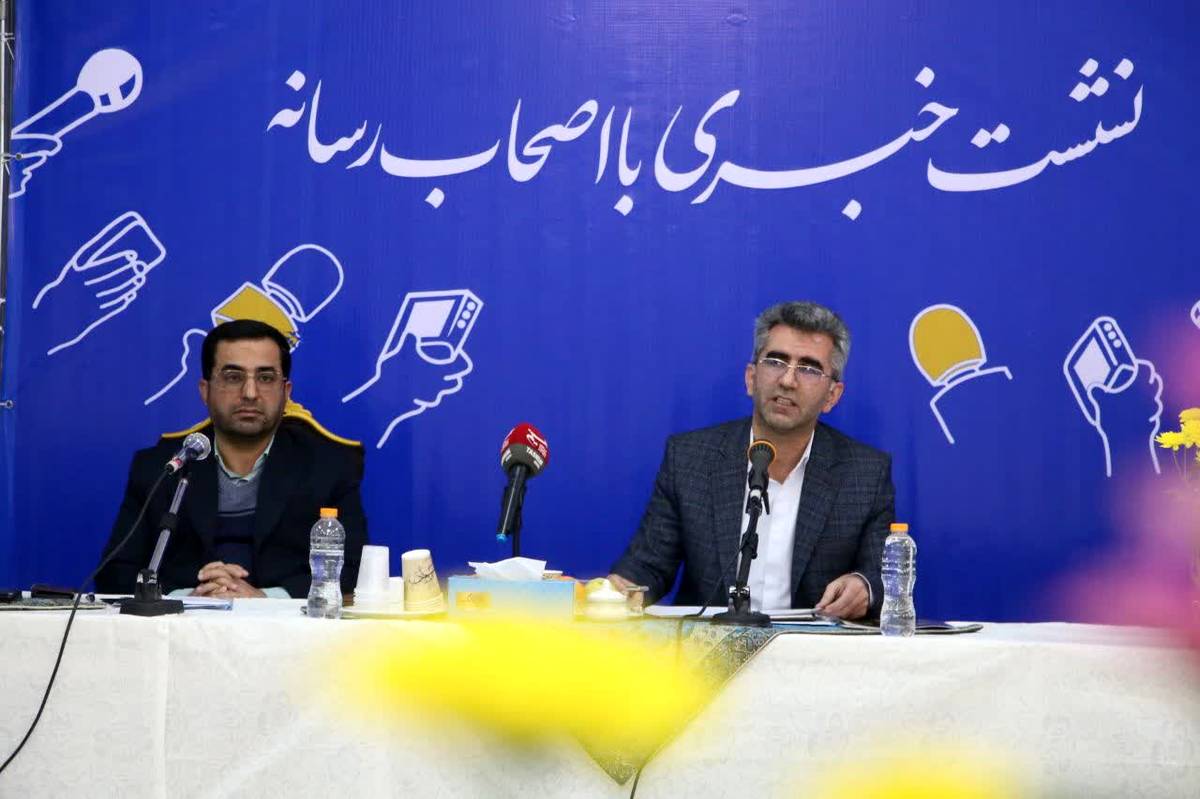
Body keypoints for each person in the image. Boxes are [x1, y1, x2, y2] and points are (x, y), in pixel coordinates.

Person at [609, 301, 894, 619]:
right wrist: (613, 594)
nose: (788, 380)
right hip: (708, 645)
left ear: (832, 395)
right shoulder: (690, 459)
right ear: (750, 377)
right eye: (776, 361)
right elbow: (647, 567)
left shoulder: (865, 474)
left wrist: (864, 587)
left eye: (809, 368)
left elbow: (881, 577)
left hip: (812, 645)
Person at [95, 319, 368, 598]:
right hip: (183, 621)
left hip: (285, 623)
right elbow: (115, 573)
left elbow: (354, 571)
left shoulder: (329, 467)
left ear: (286, 392)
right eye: (233, 377)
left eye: (265, 378)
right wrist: (188, 598)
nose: (250, 393)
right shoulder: (163, 468)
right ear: (205, 390)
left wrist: (265, 599)